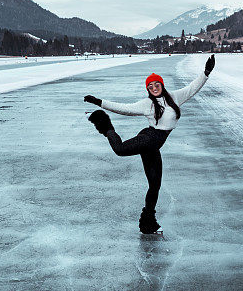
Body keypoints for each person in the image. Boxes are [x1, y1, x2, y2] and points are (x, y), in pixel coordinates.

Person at [84, 55, 215, 234]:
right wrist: (100, 102)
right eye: (150, 86)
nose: (154, 88)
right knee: (120, 149)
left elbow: (193, 88)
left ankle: (148, 222)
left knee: (155, 185)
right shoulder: (147, 104)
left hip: (154, 145)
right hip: (149, 138)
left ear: (162, 85)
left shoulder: (174, 98)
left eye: (156, 84)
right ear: (148, 89)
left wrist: (206, 72)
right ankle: (104, 124)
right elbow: (125, 108)